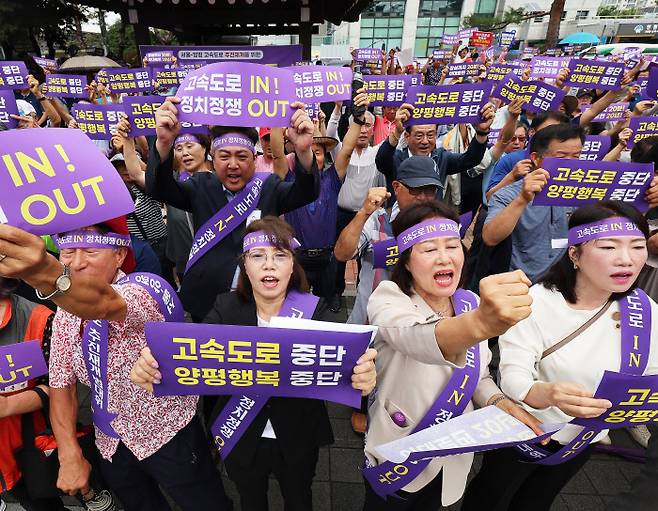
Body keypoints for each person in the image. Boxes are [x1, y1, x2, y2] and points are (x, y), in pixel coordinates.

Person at [130, 216, 377, 511]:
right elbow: (188, 352)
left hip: (298, 435)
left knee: (300, 499)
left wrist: (362, 377)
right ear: (244, 266)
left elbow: (344, 366)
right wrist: (154, 363)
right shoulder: (225, 307)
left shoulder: (315, 311)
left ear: (292, 265)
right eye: (258, 256)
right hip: (241, 433)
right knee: (251, 500)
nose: (269, 264)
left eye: (279, 256)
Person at [0, 217, 232, 511]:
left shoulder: (140, 292)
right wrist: (69, 454)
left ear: (120, 255)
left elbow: (102, 303)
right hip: (110, 442)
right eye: (68, 253)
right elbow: (61, 385)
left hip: (168, 434)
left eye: (91, 251)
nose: (77, 263)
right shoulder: (63, 317)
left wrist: (44, 271)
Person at [462, 201, 658, 511]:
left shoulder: (643, 309)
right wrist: (547, 393)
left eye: (637, 246)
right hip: (526, 430)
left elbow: (652, 373)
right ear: (575, 254)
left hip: (585, 439)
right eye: (608, 246)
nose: (626, 260)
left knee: (537, 501)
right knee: (491, 496)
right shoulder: (536, 302)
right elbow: (513, 375)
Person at [363, 201, 543, 510]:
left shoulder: (469, 301)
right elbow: (417, 338)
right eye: (429, 249)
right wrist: (480, 323)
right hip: (399, 452)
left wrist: (500, 403)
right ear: (406, 261)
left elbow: (479, 376)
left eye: (452, 246)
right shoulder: (388, 297)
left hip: (452, 456)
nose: (444, 257)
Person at [145, 96, 320, 322]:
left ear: (254, 158)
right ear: (213, 158)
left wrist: (303, 150)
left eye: (241, 156)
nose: (233, 165)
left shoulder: (269, 188)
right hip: (207, 300)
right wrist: (163, 143)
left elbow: (307, 191)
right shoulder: (200, 186)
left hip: (259, 302)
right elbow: (158, 188)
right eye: (224, 156)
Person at [374, 102, 494, 205]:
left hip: (432, 224)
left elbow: (470, 159)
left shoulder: (441, 158)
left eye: (430, 135)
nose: (425, 141)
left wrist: (481, 132)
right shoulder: (397, 158)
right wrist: (396, 132)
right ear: (407, 136)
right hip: (401, 223)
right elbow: (381, 162)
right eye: (419, 135)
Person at [327, 104, 385, 312]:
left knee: (367, 258)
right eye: (358, 124)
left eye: (367, 125)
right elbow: (330, 133)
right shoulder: (342, 151)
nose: (363, 129)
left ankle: (366, 296)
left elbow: (398, 140)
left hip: (369, 216)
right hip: (341, 214)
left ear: (372, 129)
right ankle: (335, 293)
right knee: (338, 257)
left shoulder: (378, 153)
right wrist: (337, 109)